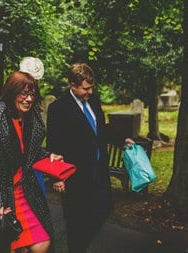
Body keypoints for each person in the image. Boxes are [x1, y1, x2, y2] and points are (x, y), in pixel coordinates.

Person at [0, 70, 61, 252]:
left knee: (42, 242)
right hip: (1, 192)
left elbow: (28, 152)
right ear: (11, 93)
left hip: (25, 190)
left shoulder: (30, 119)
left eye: (32, 94)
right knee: (8, 245)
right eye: (23, 94)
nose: (29, 99)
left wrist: (48, 156)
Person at [46, 63, 133, 252]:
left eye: (91, 87)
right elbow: (54, 143)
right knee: (76, 221)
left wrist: (122, 139)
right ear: (73, 85)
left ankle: (82, 241)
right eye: (86, 88)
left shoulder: (93, 101)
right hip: (75, 175)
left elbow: (101, 129)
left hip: (99, 171)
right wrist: (57, 177)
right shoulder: (58, 108)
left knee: (104, 207)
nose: (90, 92)